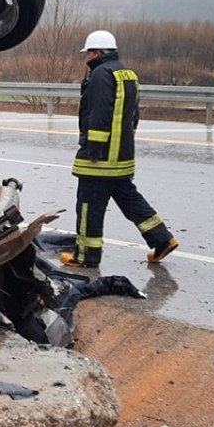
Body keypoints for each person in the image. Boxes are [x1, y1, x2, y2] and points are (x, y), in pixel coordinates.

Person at [60, 30, 179, 267]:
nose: (86, 58)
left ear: (96, 52)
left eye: (89, 53)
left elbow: (99, 113)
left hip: (100, 157)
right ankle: (162, 238)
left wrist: (93, 147)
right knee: (128, 198)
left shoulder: (101, 74)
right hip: (122, 155)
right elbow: (133, 115)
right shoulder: (127, 74)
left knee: (89, 205)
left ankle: (86, 256)